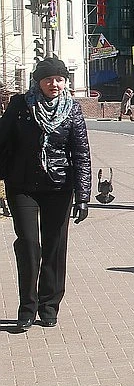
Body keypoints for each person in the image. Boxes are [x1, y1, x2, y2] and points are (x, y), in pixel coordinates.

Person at [0, 57, 91, 332]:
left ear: (65, 82)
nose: (54, 84)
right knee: (29, 245)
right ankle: (26, 308)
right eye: (49, 78)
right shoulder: (20, 106)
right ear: (38, 81)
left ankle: (49, 306)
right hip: (22, 186)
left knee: (54, 247)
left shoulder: (72, 110)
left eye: (59, 79)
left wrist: (83, 195)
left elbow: (81, 153)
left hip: (59, 187)